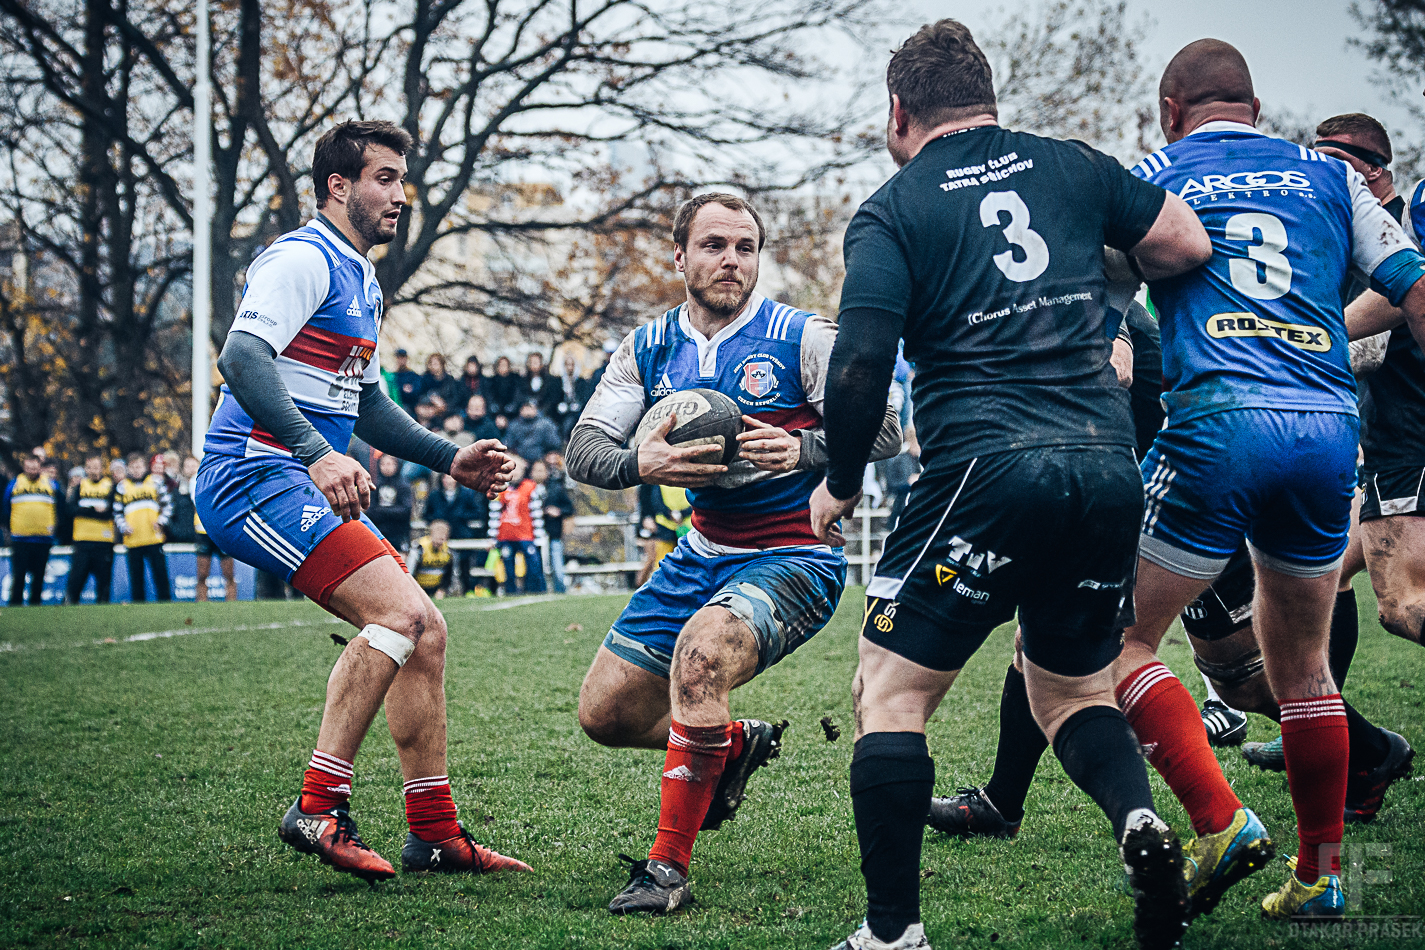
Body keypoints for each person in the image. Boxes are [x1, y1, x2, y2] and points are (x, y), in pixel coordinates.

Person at [806, 21, 1214, 950]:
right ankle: (1138, 825)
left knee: (891, 696)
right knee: (1072, 693)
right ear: (987, 98)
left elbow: (862, 358)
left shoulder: (892, 208)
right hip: (1107, 468)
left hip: (985, 472)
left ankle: (891, 931)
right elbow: (1184, 245)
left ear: (898, 110)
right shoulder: (1070, 167)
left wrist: (837, 478)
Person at [1112, 40, 1425, 922]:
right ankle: (1320, 876)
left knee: (1114, 642)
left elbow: (1095, 314)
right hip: (1328, 433)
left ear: (1171, 111)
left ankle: (1219, 824)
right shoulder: (1333, 177)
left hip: (1217, 424)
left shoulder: (1152, 171)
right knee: (1304, 670)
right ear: (1251, 108)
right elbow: (1415, 289)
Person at [194, 119, 525, 882]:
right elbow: (241, 357)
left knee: (427, 630)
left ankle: (435, 834)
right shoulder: (303, 258)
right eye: (384, 178)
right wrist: (316, 453)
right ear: (337, 187)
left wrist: (451, 459)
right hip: (251, 476)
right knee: (399, 615)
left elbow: (366, 404)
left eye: (402, 180)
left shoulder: (361, 278)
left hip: (291, 474)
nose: (399, 195)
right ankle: (317, 806)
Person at [566, 191, 902, 916]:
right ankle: (730, 742)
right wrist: (640, 464)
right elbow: (584, 451)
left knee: (700, 658)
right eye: (714, 245)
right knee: (605, 716)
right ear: (679, 256)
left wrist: (807, 446)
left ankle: (665, 872)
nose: (731, 260)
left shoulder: (800, 337)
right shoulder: (648, 347)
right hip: (701, 551)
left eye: (744, 247)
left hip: (794, 556)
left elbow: (885, 428)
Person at [3, 452, 60, 606]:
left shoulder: (51, 484)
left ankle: (35, 605)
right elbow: (5, 509)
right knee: (19, 574)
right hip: (21, 539)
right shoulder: (14, 484)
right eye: (29, 467)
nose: (32, 471)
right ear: (24, 467)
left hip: (43, 539)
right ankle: (15, 605)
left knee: (39, 575)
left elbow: (59, 507)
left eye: (35, 468)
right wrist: (13, 528)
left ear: (40, 467)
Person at [116, 451, 173, 603]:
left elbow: (167, 505)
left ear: (144, 467)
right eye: (133, 467)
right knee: (136, 577)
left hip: (153, 537)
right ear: (128, 468)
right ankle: (138, 605)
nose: (136, 470)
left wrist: (161, 521)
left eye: (139, 466)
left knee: (160, 574)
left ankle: (165, 603)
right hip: (133, 539)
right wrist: (124, 527)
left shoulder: (155, 481)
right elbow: (117, 512)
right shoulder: (122, 487)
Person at [424, 473, 488, 594]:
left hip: (461, 534)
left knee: (465, 566)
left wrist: (460, 516)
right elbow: (426, 514)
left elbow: (477, 512)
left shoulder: (466, 494)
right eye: (445, 478)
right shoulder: (435, 495)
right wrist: (438, 520)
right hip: (441, 536)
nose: (448, 481)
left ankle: (467, 590)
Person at [490, 455, 545, 594]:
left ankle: (534, 589)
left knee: (533, 564)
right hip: (506, 534)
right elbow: (494, 513)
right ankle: (511, 591)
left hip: (525, 534)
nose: (514, 473)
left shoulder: (530, 487)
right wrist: (492, 537)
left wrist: (539, 535)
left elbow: (536, 513)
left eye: (517, 469)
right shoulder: (500, 487)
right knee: (508, 566)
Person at [67, 455, 117, 604]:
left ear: (102, 468)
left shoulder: (110, 485)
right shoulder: (80, 486)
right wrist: (93, 510)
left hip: (104, 541)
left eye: (97, 467)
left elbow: (113, 510)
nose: (94, 471)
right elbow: (70, 510)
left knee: (103, 581)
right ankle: (70, 606)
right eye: (90, 467)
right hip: (82, 540)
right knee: (77, 579)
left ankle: (102, 609)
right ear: (86, 469)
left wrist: (88, 511)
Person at [531, 458, 573, 592]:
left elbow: (570, 508)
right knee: (537, 565)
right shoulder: (527, 489)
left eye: (541, 470)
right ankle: (539, 590)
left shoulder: (556, 489)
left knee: (557, 564)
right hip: (532, 534)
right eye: (536, 470)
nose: (539, 474)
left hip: (553, 532)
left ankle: (560, 590)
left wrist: (558, 511)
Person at [368, 453, 414, 551]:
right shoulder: (375, 484)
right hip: (380, 531)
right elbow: (371, 510)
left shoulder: (404, 485)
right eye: (383, 464)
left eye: (389, 464)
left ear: (396, 465)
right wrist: (391, 511)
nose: (386, 467)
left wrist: (382, 511)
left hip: (399, 532)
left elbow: (406, 510)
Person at [503, 399, 563, 465]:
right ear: (520, 410)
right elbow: (507, 444)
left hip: (541, 459)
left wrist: (548, 455)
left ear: (536, 409)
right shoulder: (514, 425)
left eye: (530, 408)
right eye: (525, 408)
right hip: (520, 459)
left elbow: (554, 444)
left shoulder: (546, 424)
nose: (528, 410)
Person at [410, 519, 456, 598]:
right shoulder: (420, 548)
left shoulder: (448, 550)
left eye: (442, 539)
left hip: (436, 588)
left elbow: (449, 574)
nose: (439, 542)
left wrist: (442, 589)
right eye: (437, 538)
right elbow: (410, 571)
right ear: (431, 535)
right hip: (418, 587)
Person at [555, 354, 586, 440]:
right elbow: (555, 397)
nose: (570, 368)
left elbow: (584, 397)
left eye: (572, 365)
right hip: (560, 412)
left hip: (576, 412)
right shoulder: (559, 381)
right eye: (567, 364)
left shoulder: (581, 381)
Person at [521, 351, 560, 420]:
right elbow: (520, 397)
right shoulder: (523, 380)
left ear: (541, 364)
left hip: (544, 414)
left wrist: (538, 411)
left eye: (536, 362)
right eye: (532, 362)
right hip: (526, 413)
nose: (534, 365)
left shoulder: (550, 381)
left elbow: (552, 400)